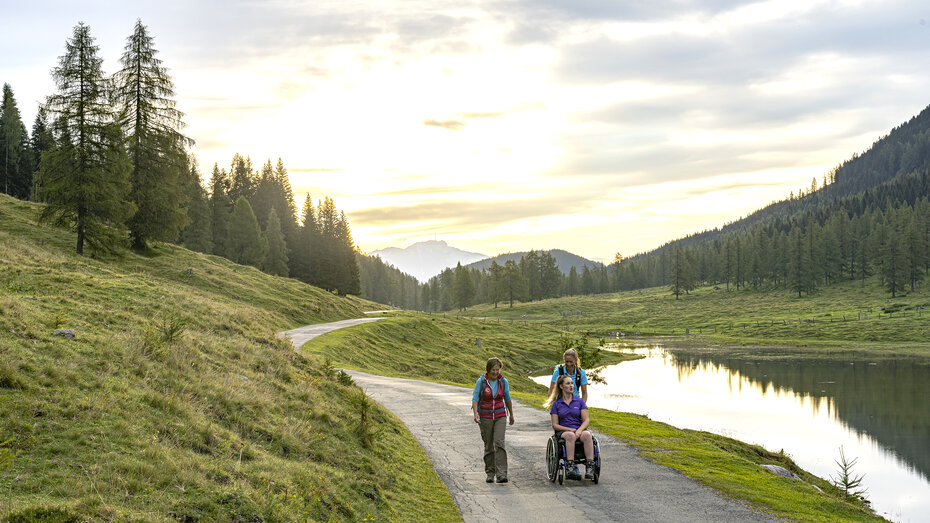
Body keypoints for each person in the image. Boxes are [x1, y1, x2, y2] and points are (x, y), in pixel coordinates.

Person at [471, 357, 515, 483]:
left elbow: (507, 398)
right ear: (488, 370)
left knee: (499, 443)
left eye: (497, 370)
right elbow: (475, 399)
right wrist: (476, 414)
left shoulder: (503, 381)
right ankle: (490, 473)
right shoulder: (482, 381)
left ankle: (501, 474)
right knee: (489, 445)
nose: (495, 372)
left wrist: (511, 414)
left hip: (500, 416)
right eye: (493, 370)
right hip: (485, 417)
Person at [546, 374, 595, 480]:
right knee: (570, 436)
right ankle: (570, 466)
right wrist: (569, 430)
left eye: (572, 383)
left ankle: (590, 466)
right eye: (568, 383)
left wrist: (579, 430)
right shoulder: (556, 404)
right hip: (563, 431)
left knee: (587, 435)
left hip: (578, 429)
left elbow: (586, 420)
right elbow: (555, 425)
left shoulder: (580, 401)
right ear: (561, 386)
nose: (571, 386)